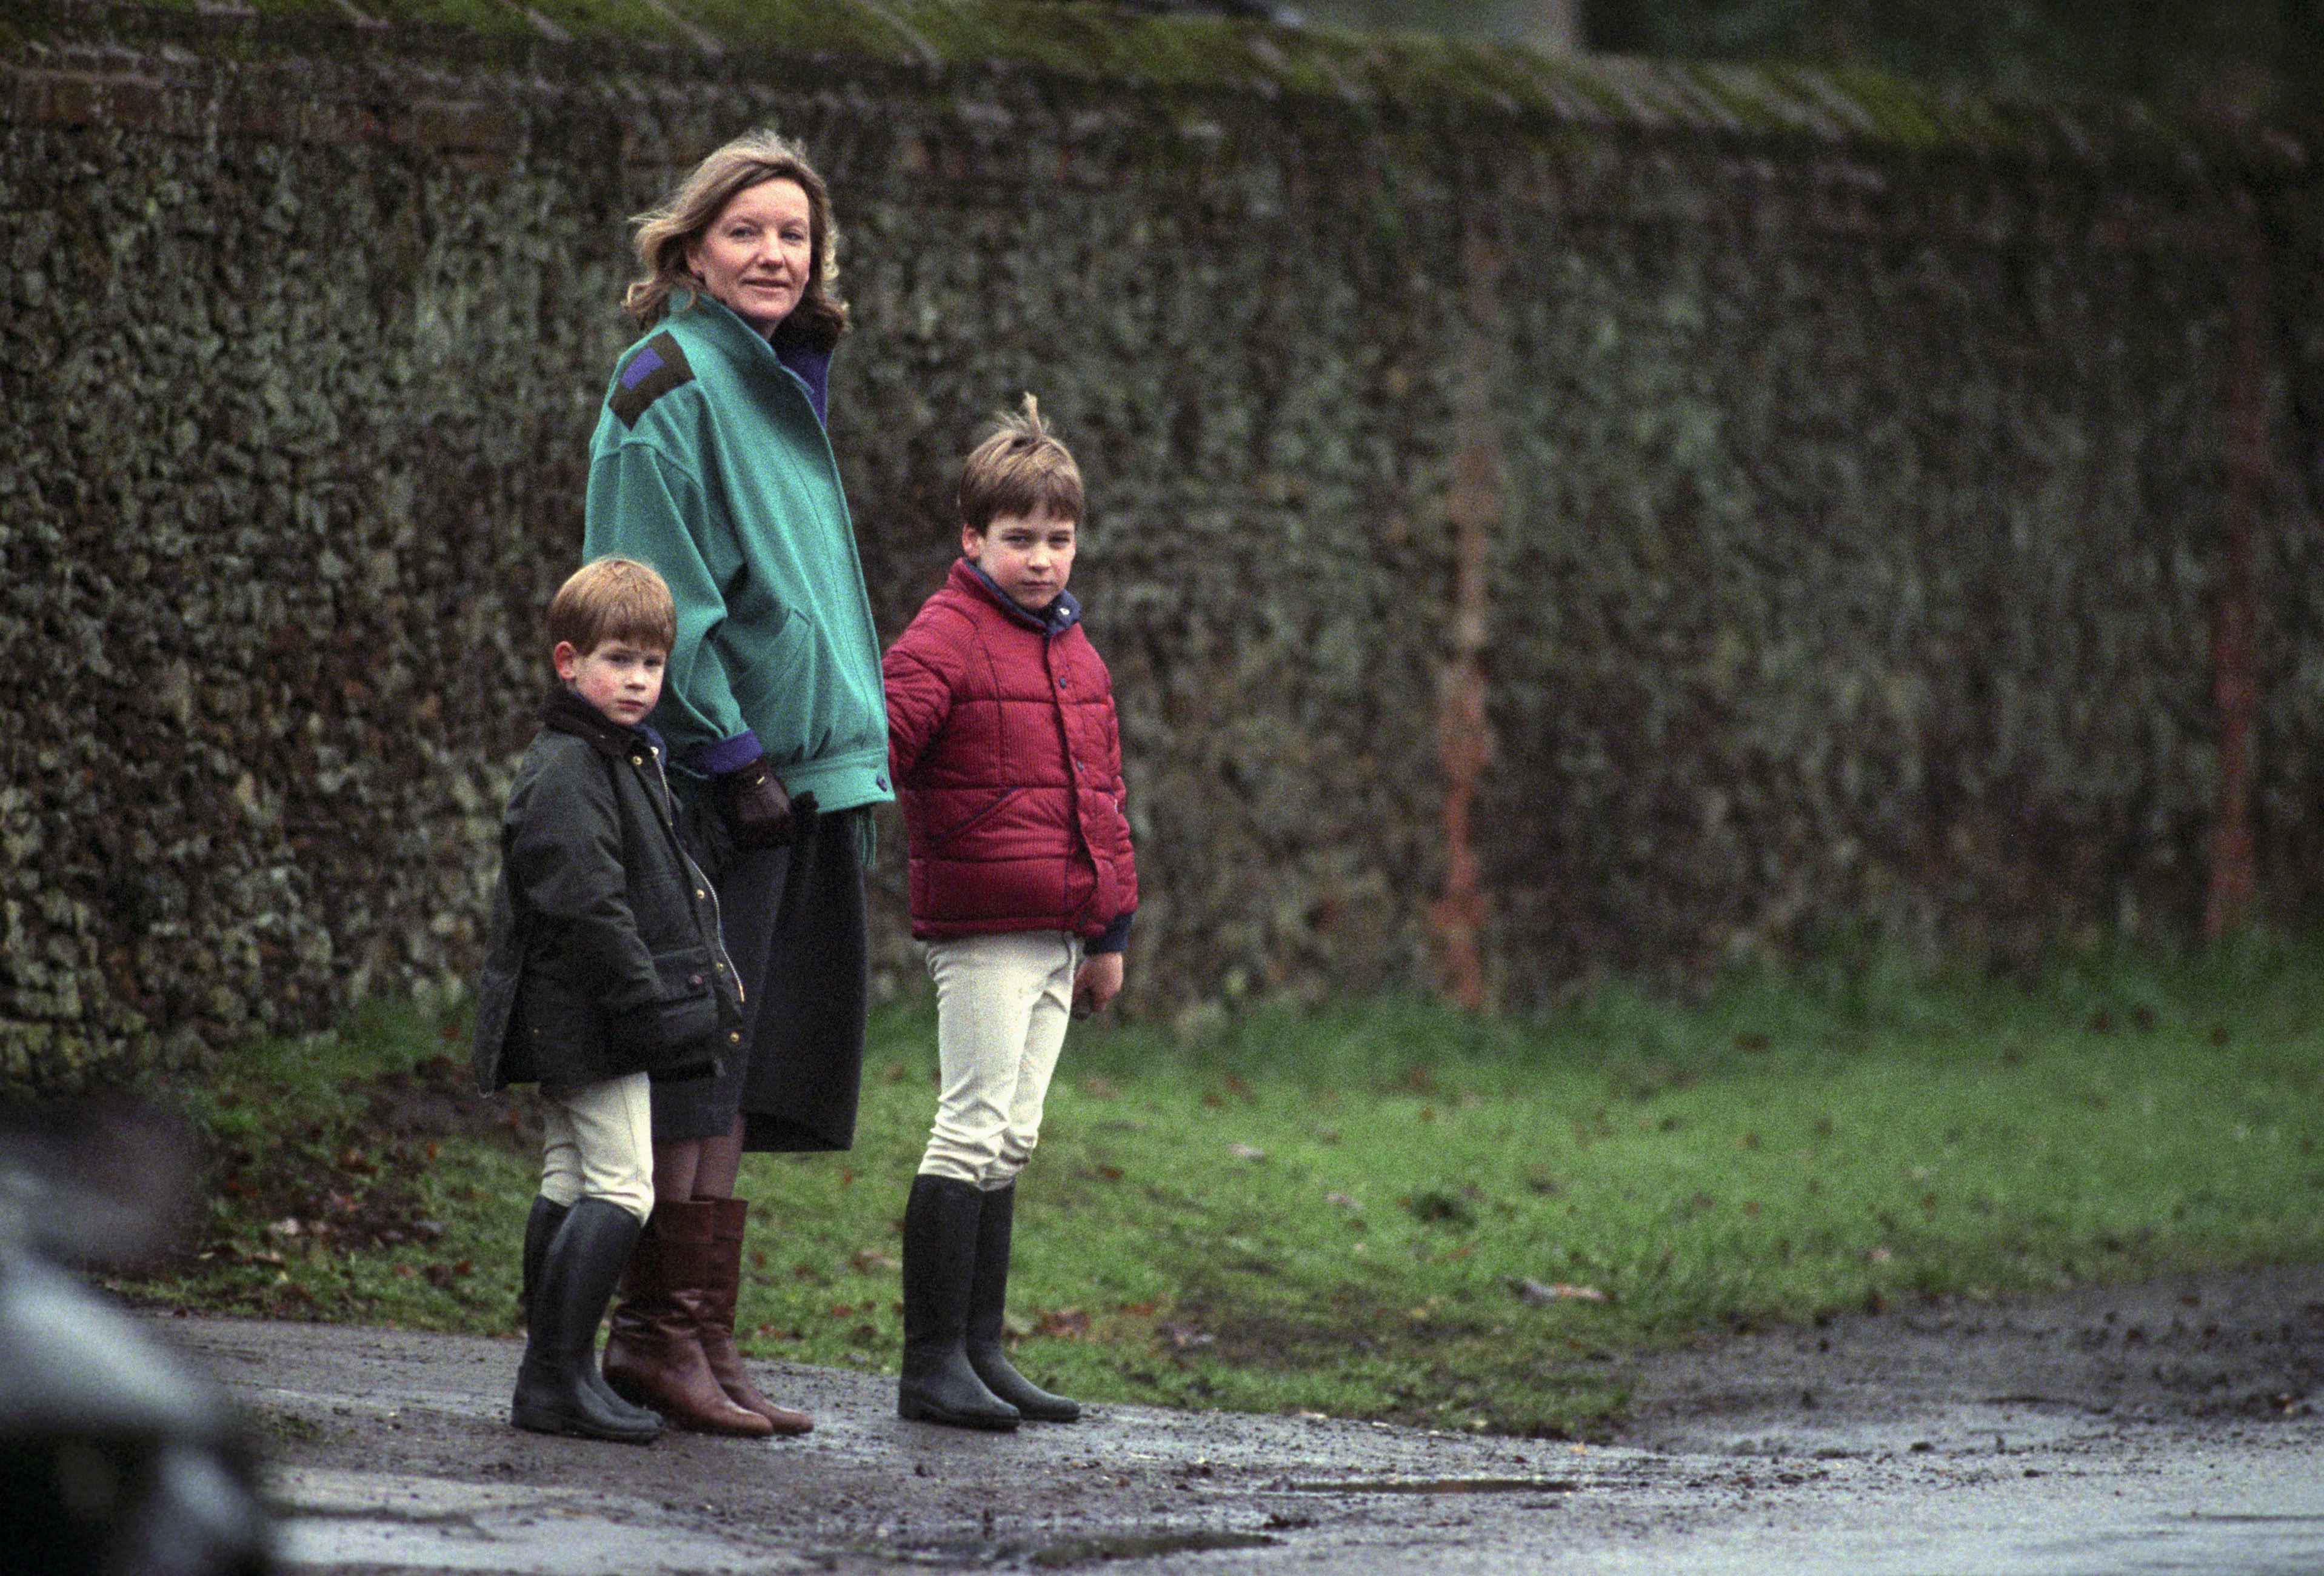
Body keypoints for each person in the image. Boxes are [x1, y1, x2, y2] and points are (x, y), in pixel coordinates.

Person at [581, 129, 892, 1439]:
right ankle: (653, 1335)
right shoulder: (668, 386)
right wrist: (730, 754)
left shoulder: (780, 378)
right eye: (747, 231)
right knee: (697, 1065)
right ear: (691, 245)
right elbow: (658, 595)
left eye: (795, 235)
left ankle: (704, 1335)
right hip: (730, 778)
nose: (775, 254)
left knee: (746, 1068)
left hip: (809, 780)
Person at [881, 396, 1138, 1429]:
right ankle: (928, 1362)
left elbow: (1106, 799)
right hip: (984, 925)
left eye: (1058, 540)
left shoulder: (1074, 650)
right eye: (1018, 539)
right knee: (968, 1128)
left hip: (1062, 930)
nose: (1041, 560)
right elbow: (882, 740)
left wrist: (1108, 935)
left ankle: (981, 1352)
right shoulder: (946, 632)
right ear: (971, 538)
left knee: (1012, 1138)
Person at [471, 556, 745, 1446]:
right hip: (589, 1015)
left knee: (571, 1178)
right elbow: (586, 904)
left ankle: (554, 1374)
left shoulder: (615, 758)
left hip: (586, 1015)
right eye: (618, 661)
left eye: (652, 665)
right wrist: (645, 1009)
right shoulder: (569, 769)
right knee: (623, 1192)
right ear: (566, 660)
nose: (636, 681)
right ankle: (552, 1379)